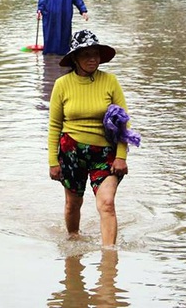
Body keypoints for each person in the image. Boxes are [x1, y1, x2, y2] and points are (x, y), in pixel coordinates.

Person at [47, 30, 133, 247]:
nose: (92, 58)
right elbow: (55, 125)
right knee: (72, 204)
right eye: (86, 54)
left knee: (106, 204)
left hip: (105, 154)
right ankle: (73, 239)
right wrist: (52, 162)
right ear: (75, 58)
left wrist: (121, 156)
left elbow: (123, 122)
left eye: (95, 53)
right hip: (71, 151)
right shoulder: (62, 85)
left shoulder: (110, 81)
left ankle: (109, 256)